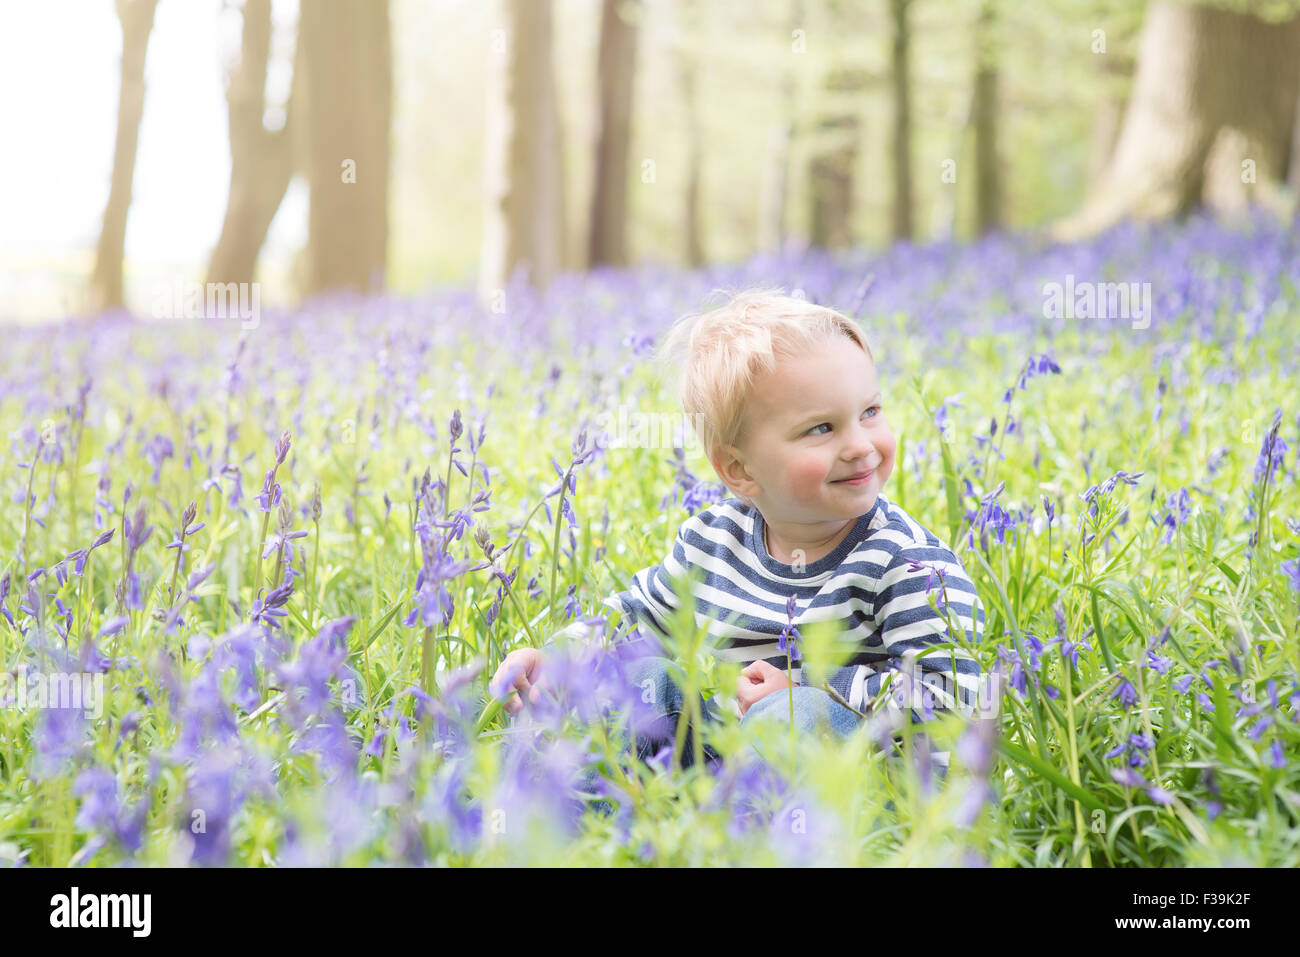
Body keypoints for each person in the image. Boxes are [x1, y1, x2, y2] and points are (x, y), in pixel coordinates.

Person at [490, 288, 986, 779]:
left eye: (870, 412)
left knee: (795, 718)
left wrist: (807, 689)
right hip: (725, 759)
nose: (860, 445)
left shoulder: (909, 565)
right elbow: (636, 622)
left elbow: (953, 698)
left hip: (857, 789)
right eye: (821, 428)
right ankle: (596, 816)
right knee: (641, 679)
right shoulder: (713, 542)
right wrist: (556, 659)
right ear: (739, 469)